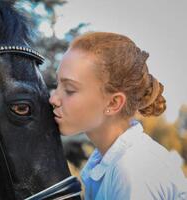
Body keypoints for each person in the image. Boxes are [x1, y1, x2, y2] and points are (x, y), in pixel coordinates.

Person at [49, 32, 187, 200]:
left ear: (113, 103)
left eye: (70, 89)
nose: (53, 99)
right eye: (57, 84)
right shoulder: (105, 161)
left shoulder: (133, 170)